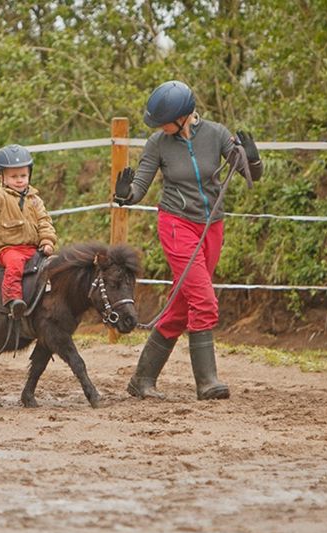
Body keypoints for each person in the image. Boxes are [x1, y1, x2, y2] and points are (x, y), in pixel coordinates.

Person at [114, 80, 262, 400]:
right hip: (176, 225)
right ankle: (207, 382)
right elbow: (140, 185)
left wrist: (252, 159)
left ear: (185, 116)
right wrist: (126, 195)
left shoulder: (217, 134)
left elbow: (250, 173)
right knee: (204, 300)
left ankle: (142, 379)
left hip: (212, 227)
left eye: (165, 121)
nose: (160, 127)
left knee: (182, 307)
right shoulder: (158, 143)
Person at [0, 144, 57, 319]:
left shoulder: (35, 200)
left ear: (29, 174)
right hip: (10, 249)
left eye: (23, 175)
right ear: (2, 177)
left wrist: (47, 241)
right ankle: (12, 299)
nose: (19, 180)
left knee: (54, 266)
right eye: (13, 176)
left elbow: (45, 222)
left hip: (33, 249)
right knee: (15, 264)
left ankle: (49, 305)